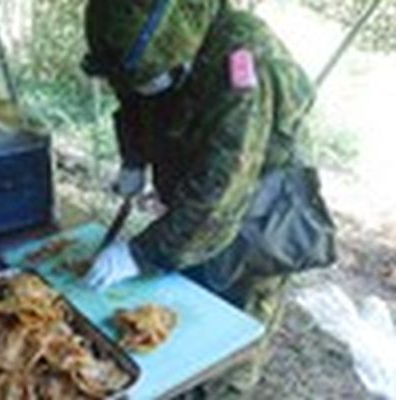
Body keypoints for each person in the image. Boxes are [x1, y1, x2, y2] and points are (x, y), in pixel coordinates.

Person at [81, 0, 336, 398]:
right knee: (184, 315)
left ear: (179, 46)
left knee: (229, 342)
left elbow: (222, 188)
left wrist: (141, 253)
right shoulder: (134, 35)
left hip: (262, 214)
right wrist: (133, 158)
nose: (140, 87)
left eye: (151, 76)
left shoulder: (244, 59)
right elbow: (134, 98)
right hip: (201, 200)